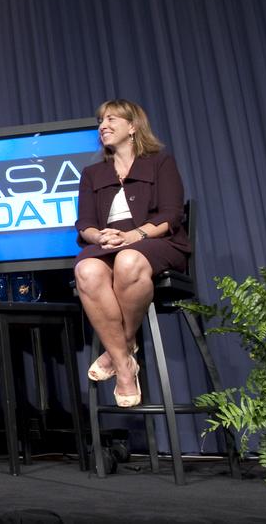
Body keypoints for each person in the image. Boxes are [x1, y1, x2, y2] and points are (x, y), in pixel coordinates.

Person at [73, 99, 189, 408]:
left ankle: (119, 358)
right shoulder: (92, 173)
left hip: (155, 242)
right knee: (87, 270)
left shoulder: (160, 163)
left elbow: (171, 215)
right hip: (109, 244)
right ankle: (126, 358)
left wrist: (133, 236)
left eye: (112, 119)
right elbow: (84, 223)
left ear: (133, 127)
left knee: (128, 260)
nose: (103, 126)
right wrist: (100, 235)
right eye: (100, 121)